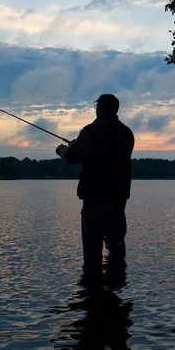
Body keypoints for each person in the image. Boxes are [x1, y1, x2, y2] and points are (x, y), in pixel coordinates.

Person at [56, 94, 134, 276]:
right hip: (119, 198)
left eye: (96, 106)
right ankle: (118, 289)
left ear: (100, 108)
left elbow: (72, 156)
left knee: (92, 248)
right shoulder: (126, 133)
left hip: (94, 197)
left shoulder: (91, 131)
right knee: (116, 245)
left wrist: (62, 149)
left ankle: (92, 292)